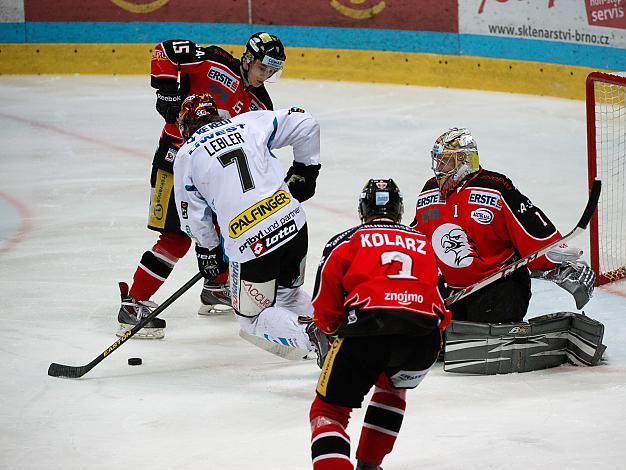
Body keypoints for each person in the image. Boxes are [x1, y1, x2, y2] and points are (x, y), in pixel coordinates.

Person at [117, 32, 286, 339]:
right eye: (263, 67)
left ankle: (215, 286)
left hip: (213, 172)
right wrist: (166, 90)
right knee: (176, 238)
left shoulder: (260, 103)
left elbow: (258, 146)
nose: (267, 75)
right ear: (248, 58)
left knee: (225, 226)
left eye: (272, 71)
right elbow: (164, 50)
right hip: (173, 160)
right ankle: (134, 303)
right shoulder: (212, 61)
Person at [172, 94, 327, 363]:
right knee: (287, 294)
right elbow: (305, 123)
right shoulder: (247, 123)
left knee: (250, 319)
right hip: (293, 223)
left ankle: (312, 335)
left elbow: (193, 217)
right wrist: (306, 169)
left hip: (251, 241)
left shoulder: (186, 154)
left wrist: (208, 250)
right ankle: (333, 334)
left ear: (185, 126)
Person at [308, 179, 451, 470]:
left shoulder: (344, 241)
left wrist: (335, 332)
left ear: (362, 209)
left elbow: (324, 307)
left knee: (327, 411)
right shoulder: (424, 242)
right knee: (392, 389)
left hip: (367, 333)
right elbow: (441, 298)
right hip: (423, 340)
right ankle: (369, 466)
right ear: (399, 211)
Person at [410, 127, 595, 324]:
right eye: (438, 160)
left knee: (485, 323)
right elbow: (416, 241)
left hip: (498, 285)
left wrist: (554, 259)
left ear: (465, 160)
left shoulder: (495, 187)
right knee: (425, 321)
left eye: (446, 161)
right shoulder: (429, 192)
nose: (439, 167)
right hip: (452, 292)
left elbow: (529, 227)